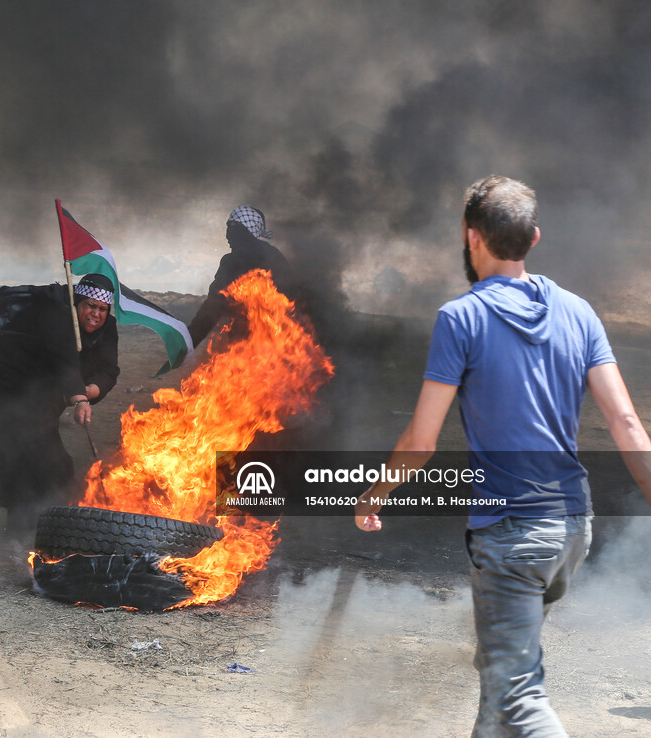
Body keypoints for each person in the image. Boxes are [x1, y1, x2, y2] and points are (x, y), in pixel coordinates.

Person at [353, 176, 651, 736]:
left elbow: (420, 440)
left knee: (518, 697)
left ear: (471, 237)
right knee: (499, 683)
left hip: (514, 533)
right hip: (571, 528)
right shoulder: (579, 313)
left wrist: (373, 495)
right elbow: (627, 423)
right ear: (533, 238)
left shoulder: (460, 318)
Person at [0, 274, 120, 537]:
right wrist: (80, 399)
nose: (95, 314)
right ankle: (21, 524)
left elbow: (109, 370)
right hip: (1, 375)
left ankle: (53, 520)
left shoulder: (108, 327)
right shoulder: (57, 314)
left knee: (46, 450)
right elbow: (66, 360)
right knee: (17, 444)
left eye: (102, 309)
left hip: (44, 383)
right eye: (89, 306)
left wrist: (90, 391)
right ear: (77, 303)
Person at [187, 206, 291, 347]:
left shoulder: (239, 261)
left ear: (249, 231)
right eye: (228, 227)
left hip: (266, 342)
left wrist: (191, 339)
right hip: (260, 344)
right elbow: (213, 306)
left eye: (235, 228)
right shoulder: (272, 255)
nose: (227, 236)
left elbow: (214, 306)